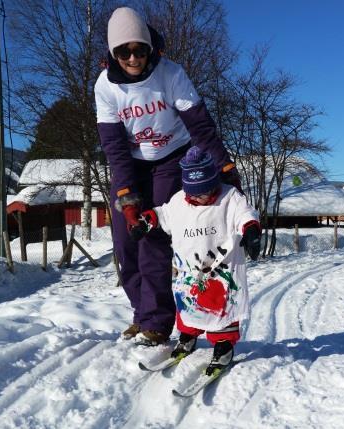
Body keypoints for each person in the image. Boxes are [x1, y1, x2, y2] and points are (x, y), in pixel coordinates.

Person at [95, 7, 242, 346]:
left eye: (139, 49)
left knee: (153, 236)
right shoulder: (105, 87)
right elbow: (114, 146)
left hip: (170, 158)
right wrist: (127, 195)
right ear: (113, 54)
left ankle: (157, 324)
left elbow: (201, 128)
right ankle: (141, 313)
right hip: (130, 162)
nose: (133, 57)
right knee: (125, 239)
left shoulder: (171, 74)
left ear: (149, 47)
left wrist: (225, 167)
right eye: (124, 51)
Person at [133, 146, 261, 374]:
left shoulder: (229, 196)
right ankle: (188, 337)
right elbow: (164, 214)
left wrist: (251, 229)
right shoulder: (178, 200)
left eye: (204, 191)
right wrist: (146, 220)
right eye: (193, 193)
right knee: (189, 305)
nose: (198, 197)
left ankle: (223, 345)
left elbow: (245, 213)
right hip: (190, 269)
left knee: (220, 307)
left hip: (220, 268)